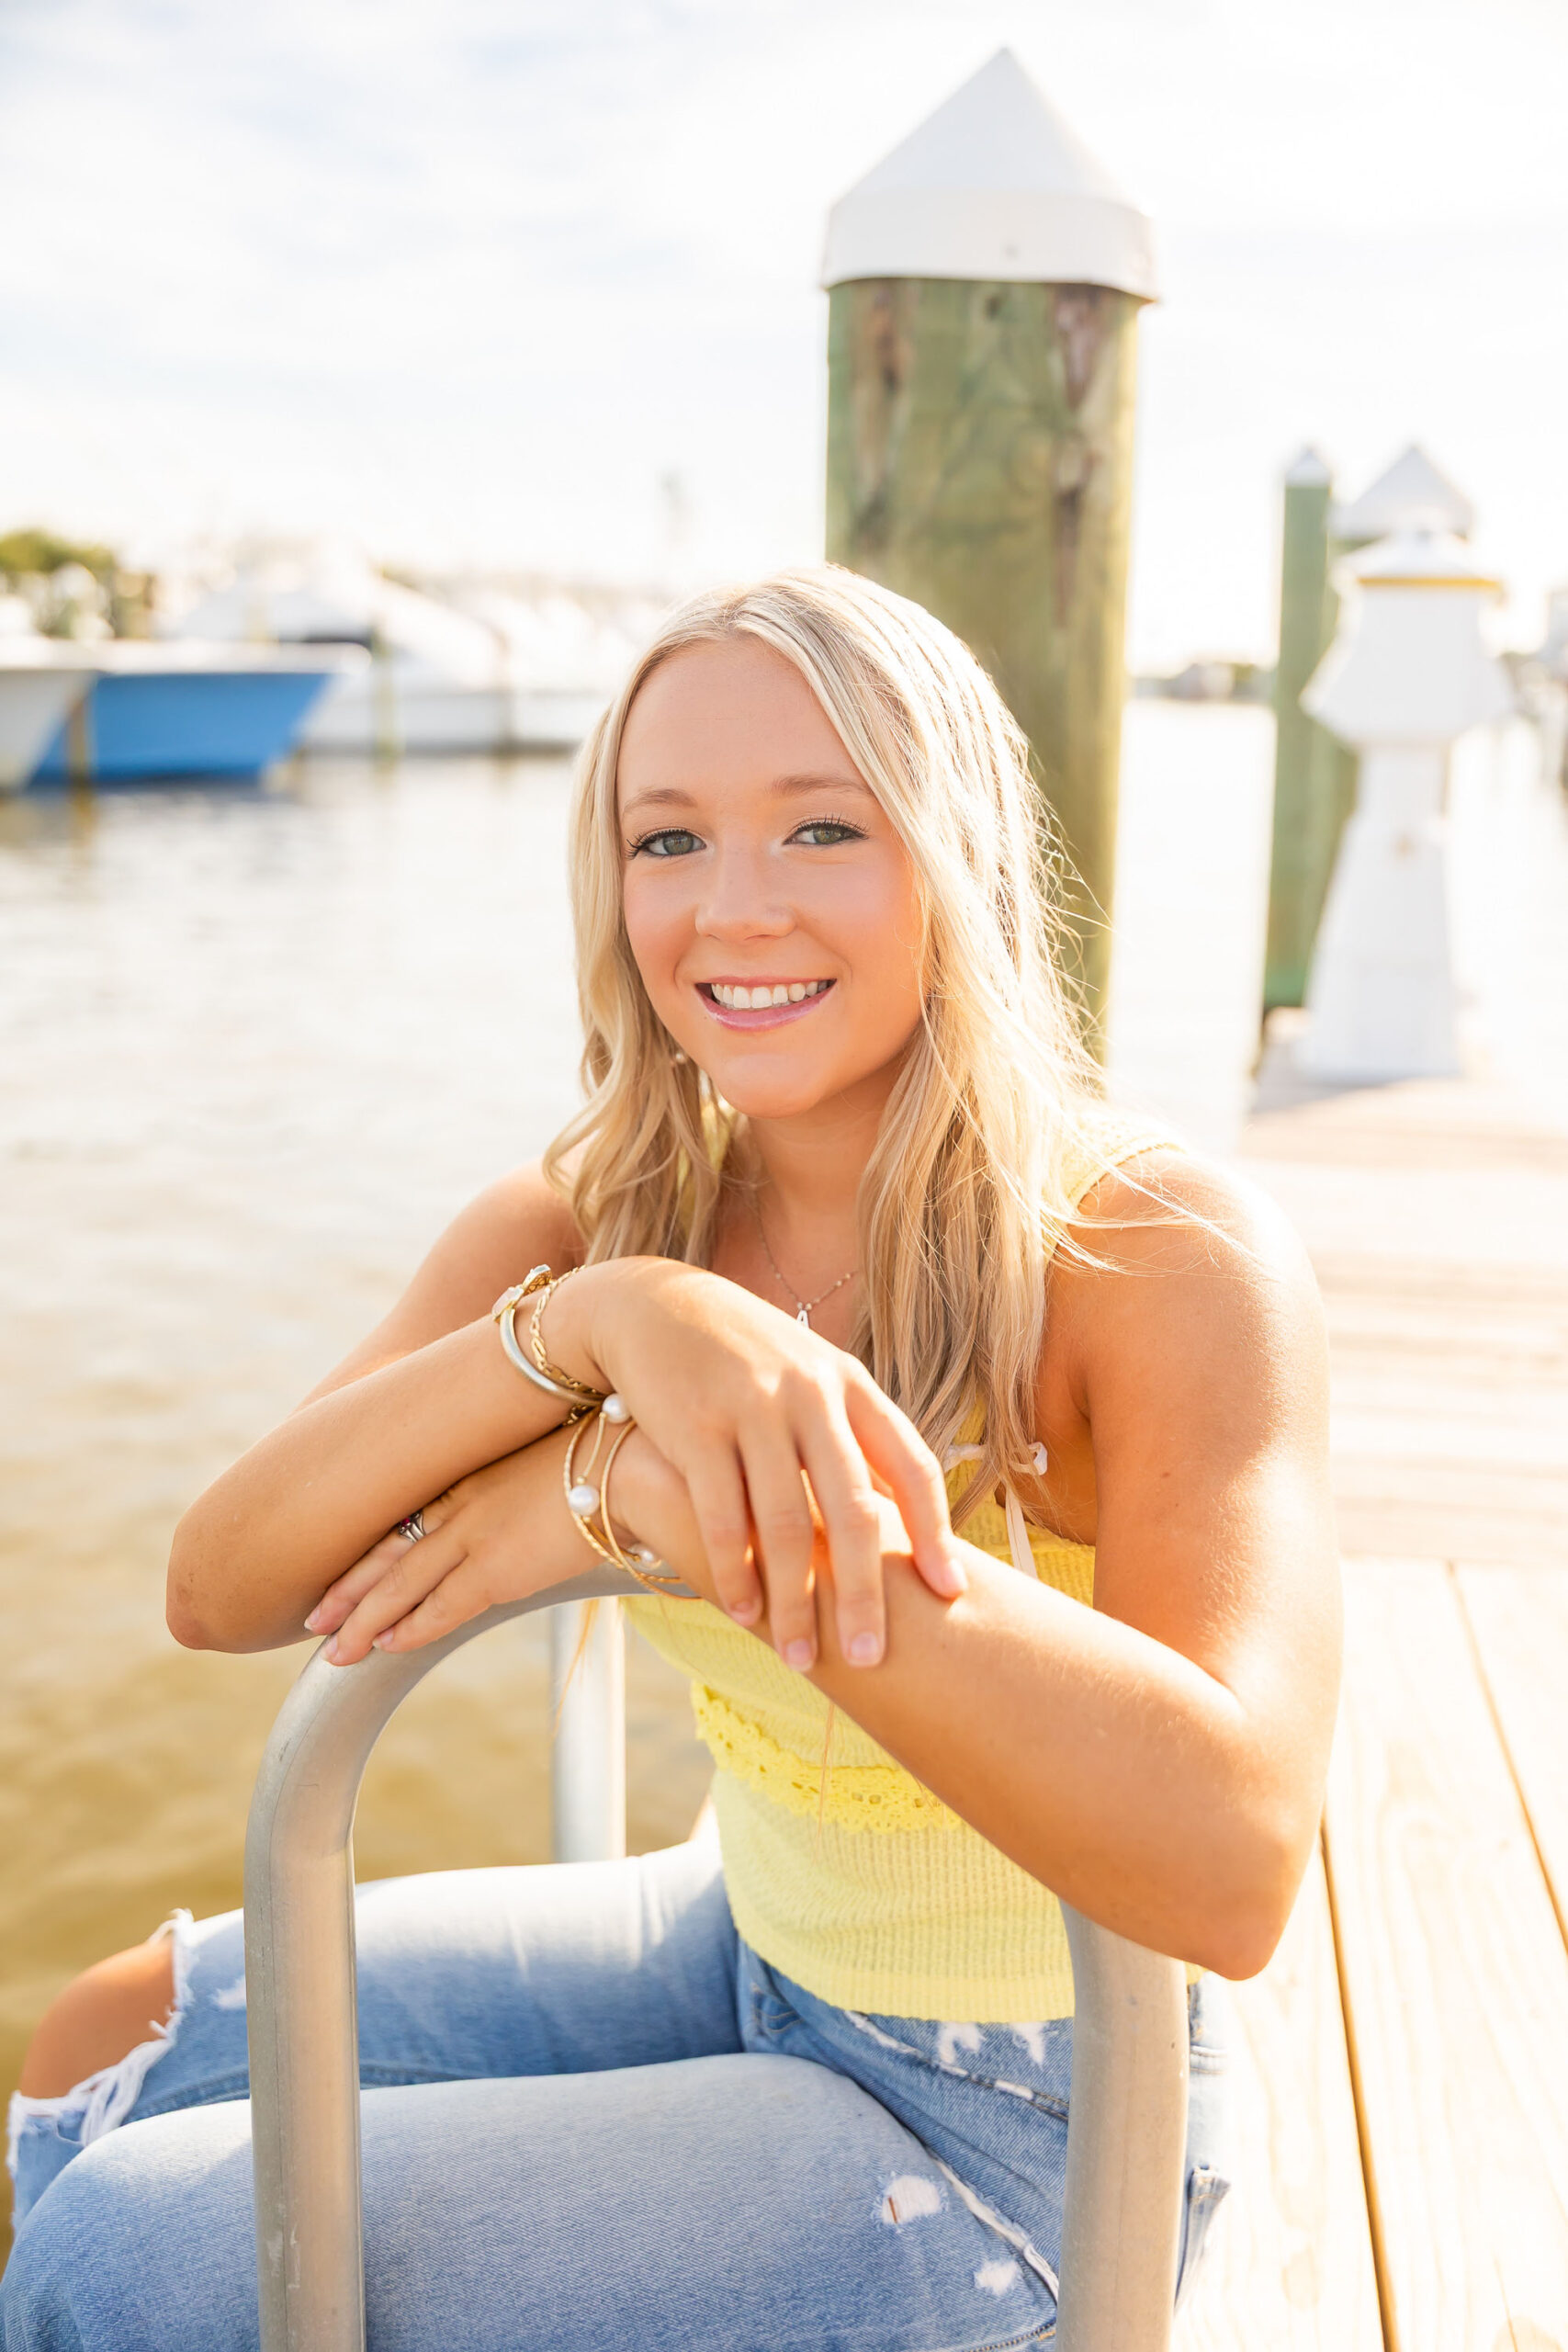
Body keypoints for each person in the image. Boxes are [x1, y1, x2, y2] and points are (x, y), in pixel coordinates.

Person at [4, 569, 1338, 2351]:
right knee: (114, 2030)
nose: (731, 907)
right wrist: (593, 1326)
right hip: (747, 1940)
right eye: (666, 838)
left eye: (819, 824)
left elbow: (1227, 1858)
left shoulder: (1150, 1251)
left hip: (1016, 2119)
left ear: (952, 853)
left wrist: (649, 1499)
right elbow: (221, 1580)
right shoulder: (594, 1217)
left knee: (127, 2252)